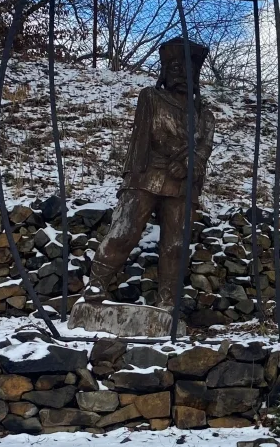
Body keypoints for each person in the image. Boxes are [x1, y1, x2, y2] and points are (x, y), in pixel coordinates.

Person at [81, 37, 216, 309]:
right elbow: (148, 135)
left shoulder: (205, 115)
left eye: (185, 68)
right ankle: (97, 283)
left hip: (182, 183)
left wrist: (190, 162)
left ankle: (167, 299)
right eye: (173, 66)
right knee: (125, 230)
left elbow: (203, 150)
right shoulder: (151, 98)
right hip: (146, 175)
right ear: (164, 71)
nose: (179, 73)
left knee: (176, 244)